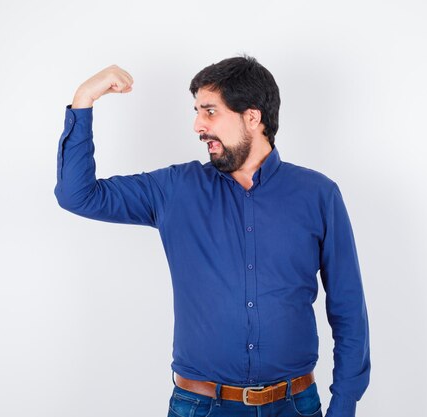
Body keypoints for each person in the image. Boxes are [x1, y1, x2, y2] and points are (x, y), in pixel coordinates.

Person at [54, 55, 370, 417]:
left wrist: (344, 403)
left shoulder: (318, 195)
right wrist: (83, 99)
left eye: (209, 112)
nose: (197, 125)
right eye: (196, 111)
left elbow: (348, 308)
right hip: (201, 407)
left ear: (252, 117)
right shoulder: (174, 189)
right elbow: (77, 195)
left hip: (295, 406)